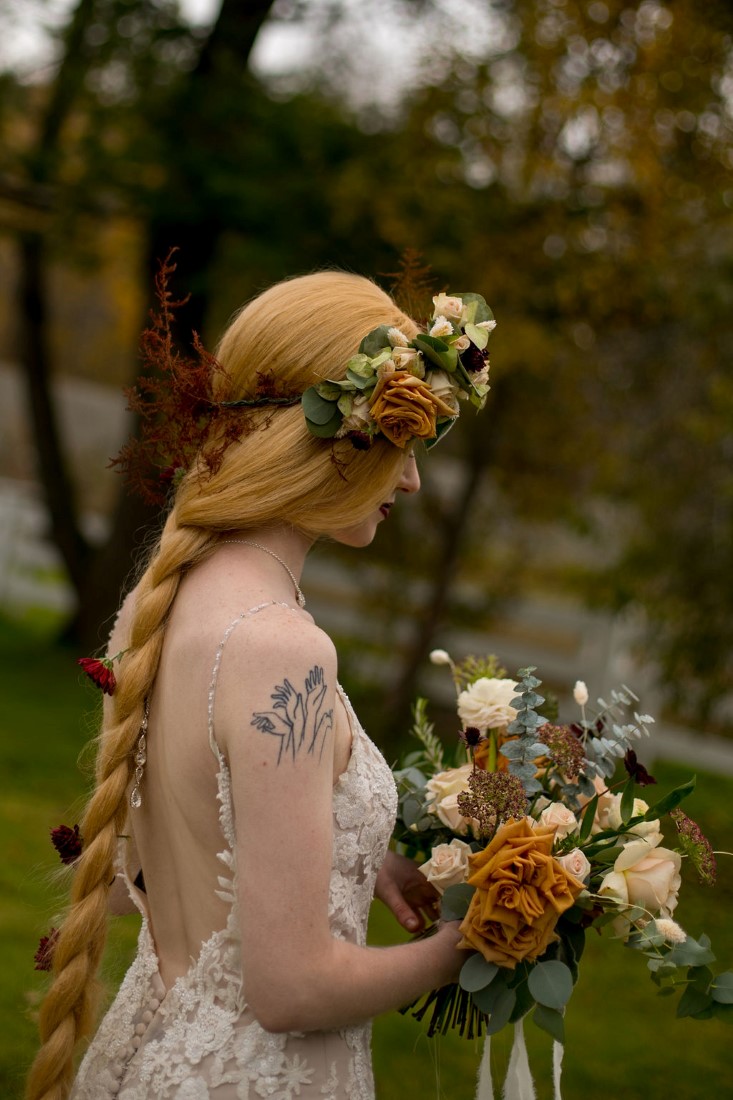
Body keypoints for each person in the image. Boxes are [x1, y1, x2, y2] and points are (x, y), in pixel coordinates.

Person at [26, 271, 494, 1100]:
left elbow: (187, 840)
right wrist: (484, 940)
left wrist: (359, 857)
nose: (413, 481)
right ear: (335, 440)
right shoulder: (282, 650)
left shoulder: (160, 599)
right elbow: (291, 991)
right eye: (401, 442)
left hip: (154, 1057)